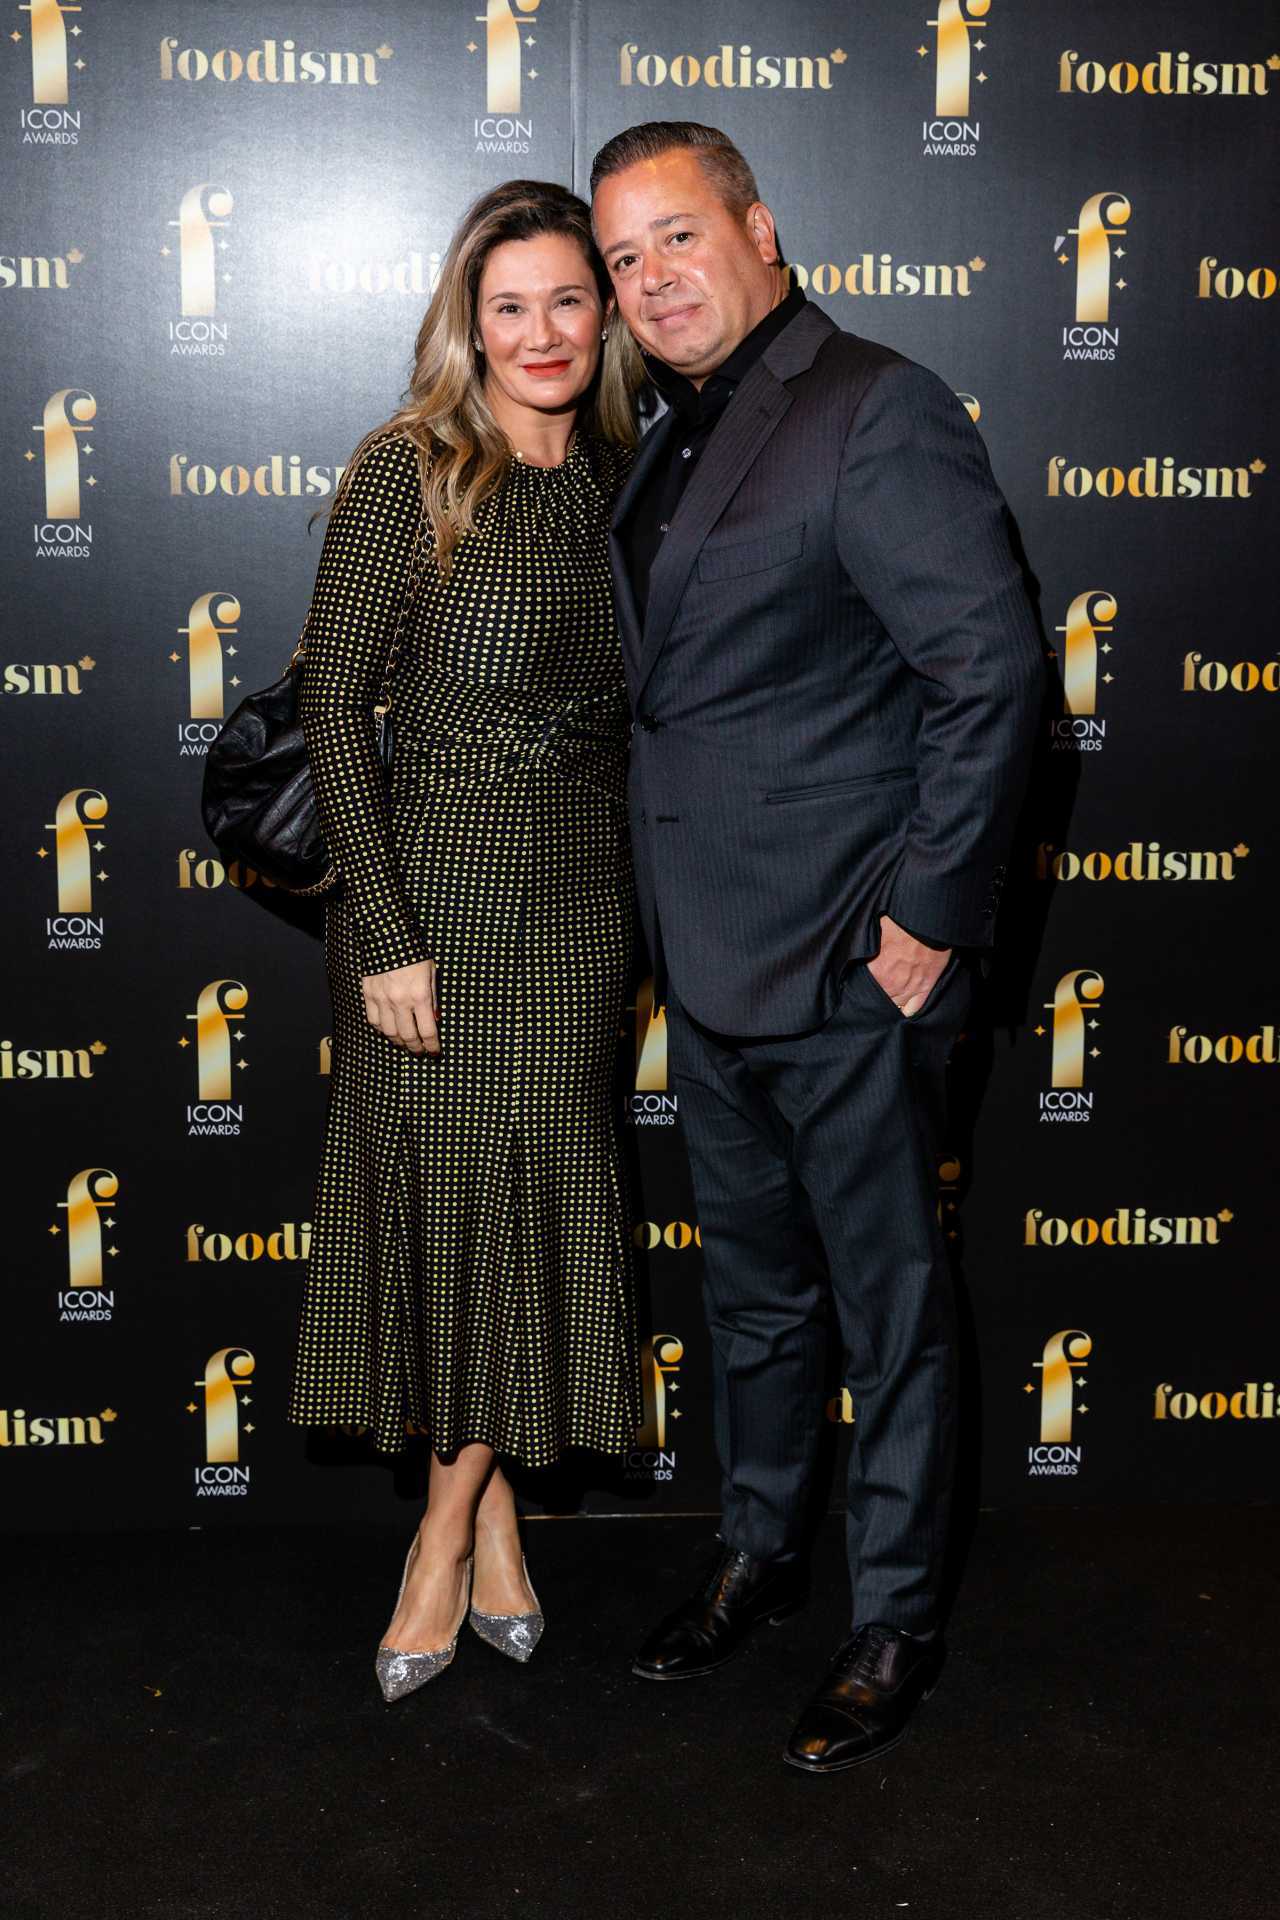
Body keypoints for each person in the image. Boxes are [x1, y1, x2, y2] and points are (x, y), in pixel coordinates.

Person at [591, 122, 1044, 1772]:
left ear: (761, 227)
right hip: (711, 963)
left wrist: (923, 924)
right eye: (622, 260)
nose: (650, 280)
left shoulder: (874, 404)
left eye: (676, 237)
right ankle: (762, 1551)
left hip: (854, 965)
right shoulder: (668, 436)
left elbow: (993, 673)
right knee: (758, 1301)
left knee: (889, 1308)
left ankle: (895, 1615)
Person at [286, 180, 643, 1702]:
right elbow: (333, 711)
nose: (542, 331)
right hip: (433, 893)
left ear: (605, 315)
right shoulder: (414, 472)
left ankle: (459, 1523)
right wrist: (380, 930)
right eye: (511, 306)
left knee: (529, 1200)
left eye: (569, 299)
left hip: (586, 899)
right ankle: (462, 1539)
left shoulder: (631, 473)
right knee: (452, 1215)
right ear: (469, 322)